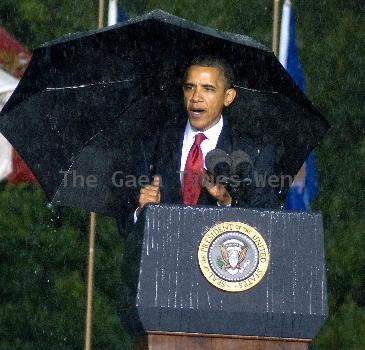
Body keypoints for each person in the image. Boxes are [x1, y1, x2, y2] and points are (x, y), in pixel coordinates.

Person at [128, 55, 279, 225]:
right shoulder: (151, 145)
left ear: (228, 96)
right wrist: (143, 212)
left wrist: (226, 202)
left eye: (208, 89)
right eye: (190, 87)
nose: (195, 97)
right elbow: (126, 225)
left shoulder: (254, 152)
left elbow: (266, 226)